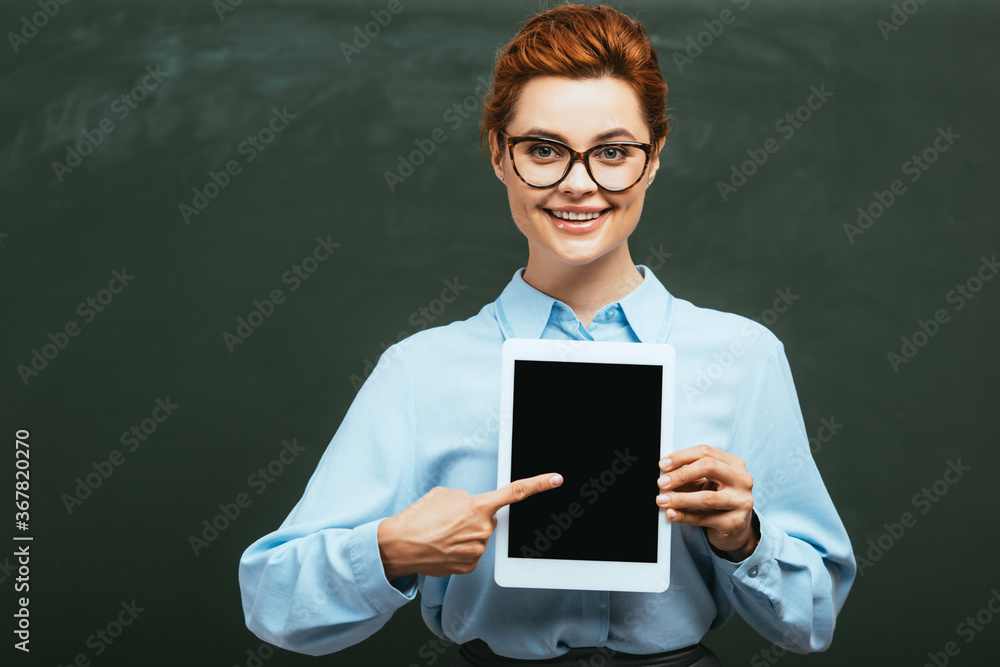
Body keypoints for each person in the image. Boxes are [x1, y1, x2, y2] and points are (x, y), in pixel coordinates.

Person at [238, 5, 856, 665]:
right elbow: (274, 603)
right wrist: (391, 548)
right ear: (500, 155)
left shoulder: (745, 356)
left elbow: (810, 620)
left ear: (654, 159)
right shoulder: (420, 371)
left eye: (613, 152)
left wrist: (744, 536)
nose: (578, 183)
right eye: (543, 149)